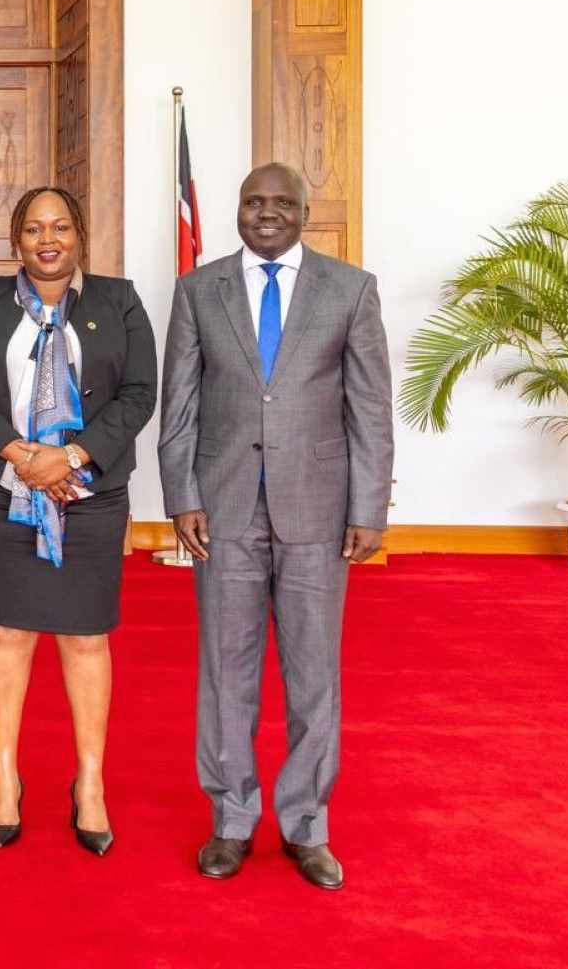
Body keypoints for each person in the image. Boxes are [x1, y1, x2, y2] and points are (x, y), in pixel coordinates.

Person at [157, 162, 393, 889]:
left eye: (281, 203)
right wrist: (181, 495)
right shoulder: (200, 289)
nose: (266, 213)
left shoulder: (350, 289)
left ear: (302, 212)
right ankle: (231, 818)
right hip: (223, 507)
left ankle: (307, 824)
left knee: (313, 673)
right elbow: (181, 406)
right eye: (254, 202)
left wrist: (368, 506)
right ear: (237, 210)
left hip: (319, 509)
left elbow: (371, 408)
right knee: (227, 672)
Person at [0, 186, 156, 851]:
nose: (47, 238)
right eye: (33, 228)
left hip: (90, 497)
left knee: (85, 638)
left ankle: (89, 780)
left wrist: (72, 455)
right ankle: (5, 775)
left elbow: (141, 390)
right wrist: (19, 455)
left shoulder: (118, 300)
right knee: (8, 632)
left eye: (60, 225)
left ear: (79, 233)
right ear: (17, 240)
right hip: (5, 491)